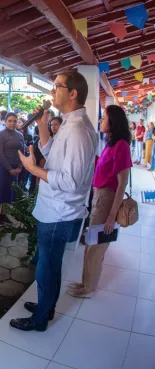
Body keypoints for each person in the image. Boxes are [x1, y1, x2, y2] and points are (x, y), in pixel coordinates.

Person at [12, 70, 98, 332]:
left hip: (59, 212)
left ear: (72, 94)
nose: (52, 92)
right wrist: (41, 126)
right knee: (48, 265)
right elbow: (53, 156)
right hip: (52, 208)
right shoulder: (69, 124)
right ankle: (45, 307)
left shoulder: (79, 131)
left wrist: (33, 169)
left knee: (47, 268)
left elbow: (70, 181)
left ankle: (40, 320)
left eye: (57, 86)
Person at [67, 105, 132, 298]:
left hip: (107, 199)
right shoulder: (110, 143)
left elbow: (122, 184)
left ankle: (89, 288)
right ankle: (86, 282)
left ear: (113, 121)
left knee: (97, 246)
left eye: (104, 117)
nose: (101, 121)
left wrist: (111, 216)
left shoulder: (121, 145)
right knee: (91, 243)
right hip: (98, 196)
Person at [0, 112, 25, 227]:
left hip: (15, 169)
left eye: (15, 121)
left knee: (8, 192)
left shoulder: (19, 135)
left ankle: (3, 214)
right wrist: (9, 168)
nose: (12, 123)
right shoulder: (1, 135)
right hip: (2, 168)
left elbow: (22, 152)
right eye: (10, 121)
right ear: (5, 121)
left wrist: (19, 167)